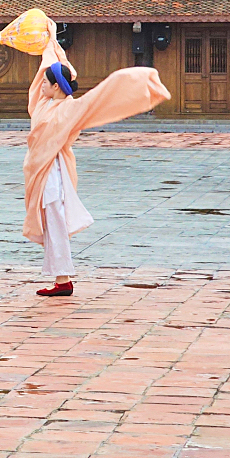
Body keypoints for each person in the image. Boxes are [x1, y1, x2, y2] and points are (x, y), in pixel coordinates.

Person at [23, 16, 170, 297]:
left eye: (46, 82)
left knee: (55, 224)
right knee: (50, 225)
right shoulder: (43, 104)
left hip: (53, 173)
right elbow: (49, 64)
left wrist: (130, 81)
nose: (40, 85)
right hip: (39, 174)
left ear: (56, 87)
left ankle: (63, 280)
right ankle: (60, 278)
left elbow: (100, 97)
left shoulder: (69, 109)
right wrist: (50, 38)